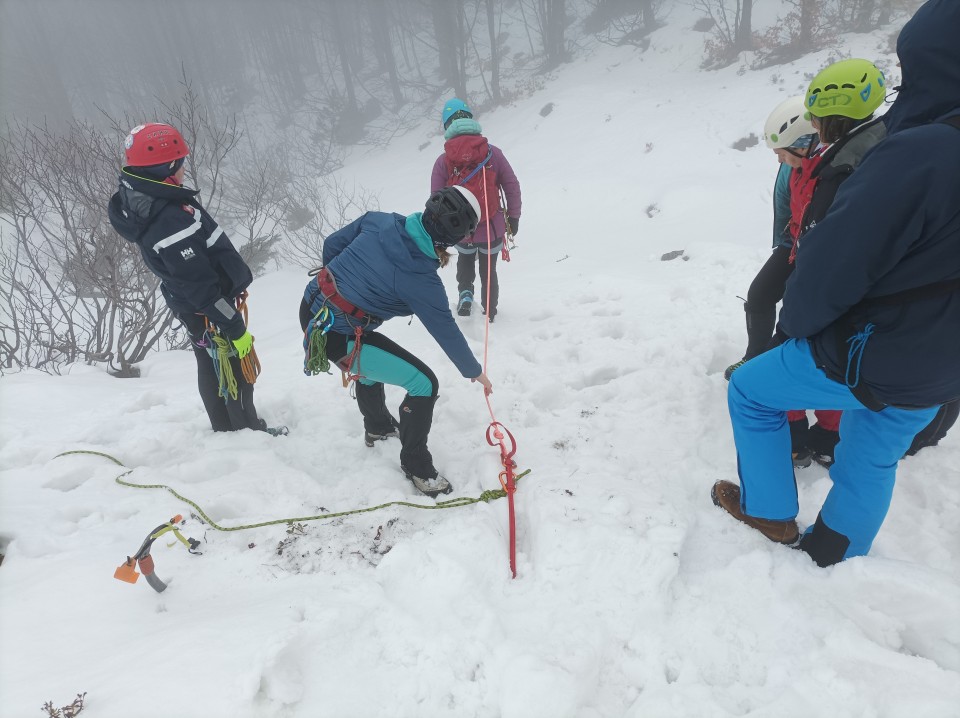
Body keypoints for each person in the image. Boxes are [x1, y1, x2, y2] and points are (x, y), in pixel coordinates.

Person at [712, 0, 960, 568]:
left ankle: (771, 512)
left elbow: (835, 264)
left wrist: (796, 330)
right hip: (944, 364)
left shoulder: (924, 152)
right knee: (873, 450)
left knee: (750, 390)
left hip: (878, 349)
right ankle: (836, 553)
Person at [725, 60, 889, 467]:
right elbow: (791, 217)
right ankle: (804, 429)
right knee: (776, 317)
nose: (778, 159)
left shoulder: (831, 171)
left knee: (802, 347)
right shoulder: (801, 170)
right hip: (803, 256)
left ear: (805, 142)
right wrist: (788, 251)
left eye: (782, 152)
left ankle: (820, 433)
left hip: (823, 273)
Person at [300, 186, 494, 497]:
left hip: (313, 308)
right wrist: (474, 371)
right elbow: (445, 330)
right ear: (452, 239)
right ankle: (417, 466)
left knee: (374, 351)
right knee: (424, 384)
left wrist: (340, 284)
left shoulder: (381, 221)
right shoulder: (421, 279)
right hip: (335, 336)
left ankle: (377, 426)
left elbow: (332, 245)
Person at [107, 123, 284, 435]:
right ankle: (247, 431)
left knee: (212, 362)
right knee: (234, 366)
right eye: (181, 162)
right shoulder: (168, 219)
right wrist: (234, 325)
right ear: (168, 167)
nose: (184, 168)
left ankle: (226, 428)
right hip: (209, 307)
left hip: (193, 304)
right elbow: (200, 286)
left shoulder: (150, 199)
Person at [431, 98, 521, 322]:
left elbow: (435, 200)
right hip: (491, 227)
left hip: (460, 231)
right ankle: (490, 310)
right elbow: (511, 185)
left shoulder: (443, 161)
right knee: (489, 269)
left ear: (447, 126)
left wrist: (438, 235)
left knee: (465, 260)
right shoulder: (493, 153)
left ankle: (465, 295)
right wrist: (514, 216)